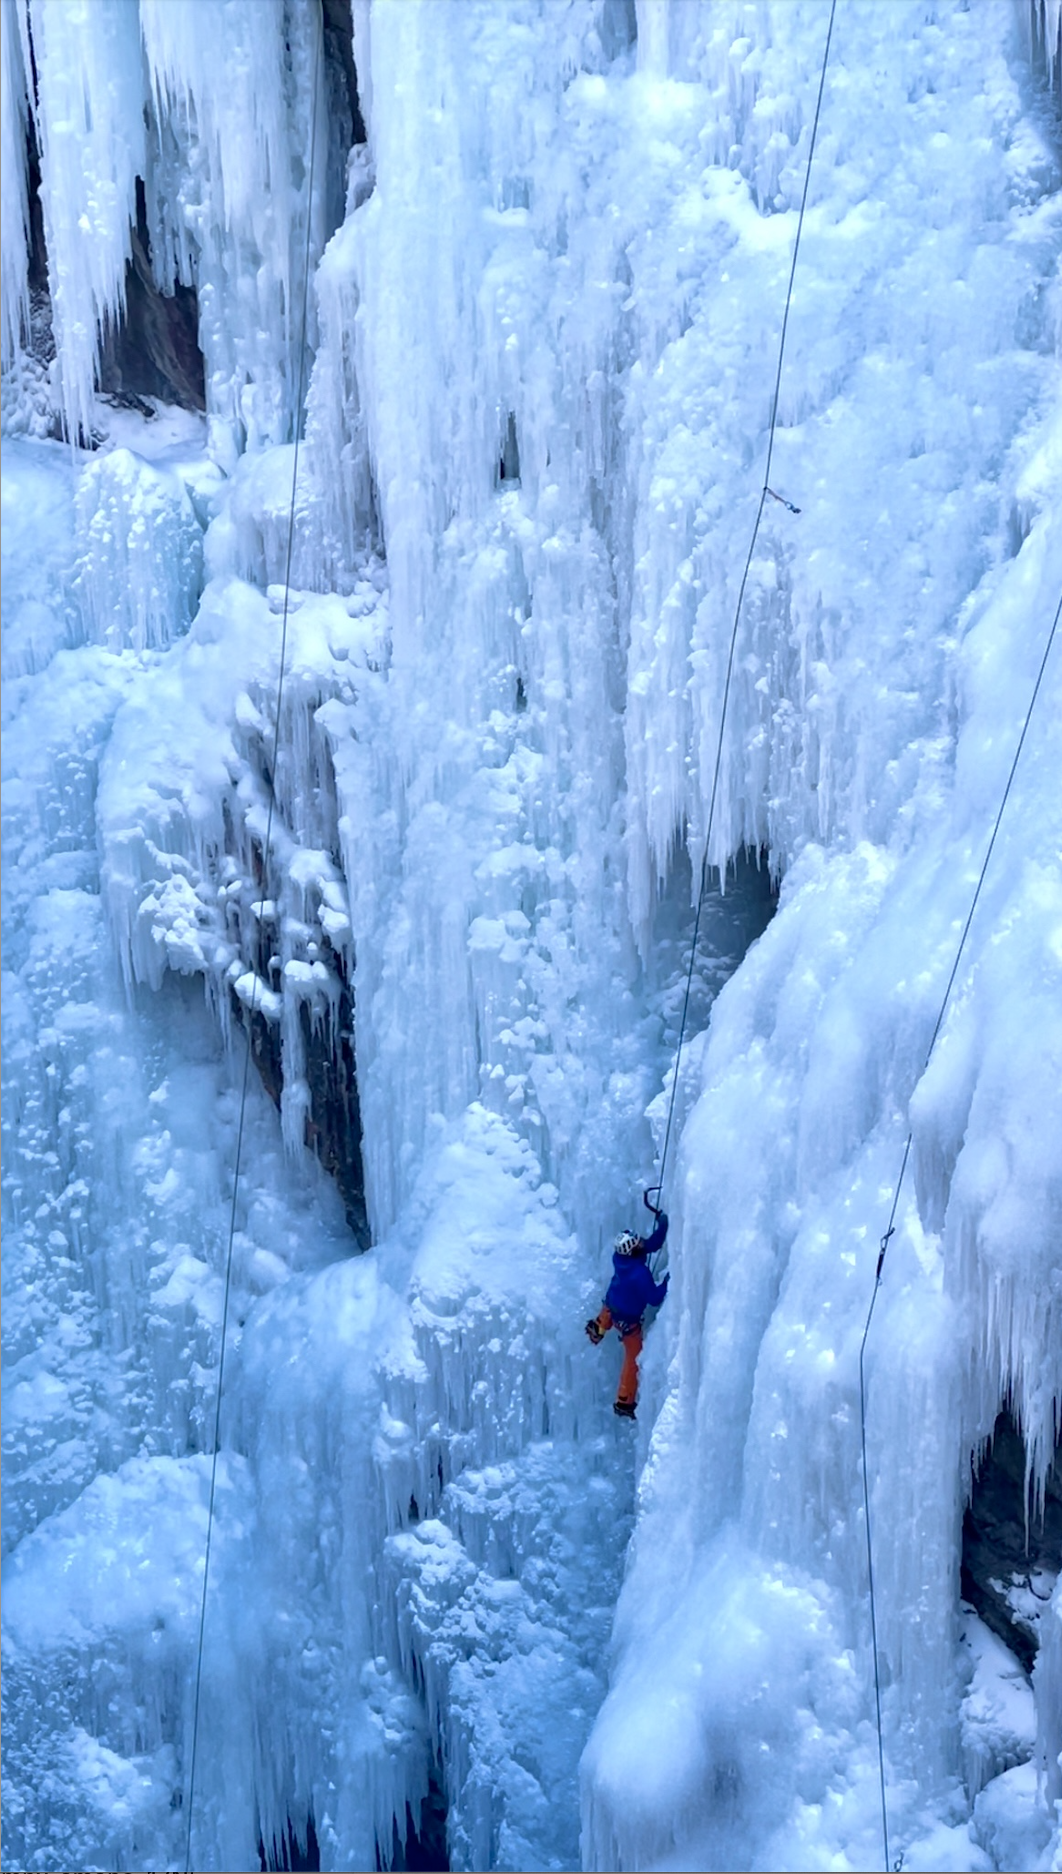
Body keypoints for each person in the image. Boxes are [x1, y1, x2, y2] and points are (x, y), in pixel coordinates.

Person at [585, 1210, 669, 1418]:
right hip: (627, 1321)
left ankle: (599, 1328)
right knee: (634, 1359)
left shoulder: (620, 1258)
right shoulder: (639, 1274)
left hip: (612, 1306)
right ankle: (624, 1401)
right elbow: (655, 1298)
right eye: (637, 1242)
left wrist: (663, 1224)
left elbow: (651, 1245)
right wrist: (668, 1282)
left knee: (607, 1314)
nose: (641, 1242)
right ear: (632, 1250)